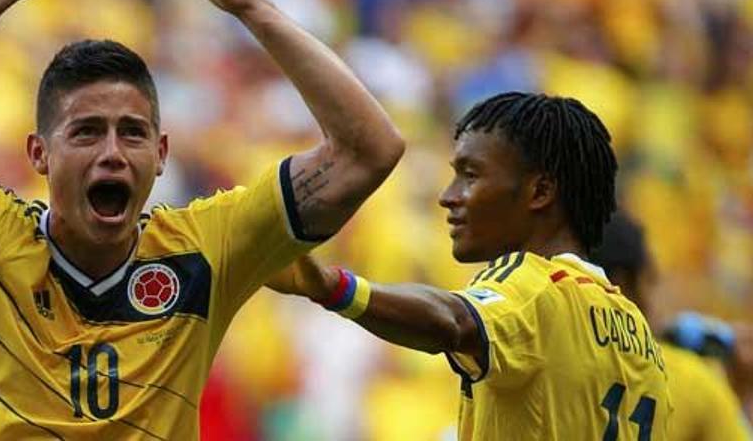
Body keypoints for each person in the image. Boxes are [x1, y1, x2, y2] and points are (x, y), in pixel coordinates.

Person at [0, 0, 404, 439]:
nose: (112, 152)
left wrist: (249, 5)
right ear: (38, 154)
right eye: (85, 132)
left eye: (132, 132)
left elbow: (370, 150)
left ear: (161, 153)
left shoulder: (207, 248)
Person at [271, 92, 671, 439]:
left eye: (470, 175)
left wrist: (333, 288)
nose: (448, 197)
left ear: (540, 191)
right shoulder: (640, 336)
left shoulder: (532, 284)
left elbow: (455, 322)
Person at [590, 212, 753, 441]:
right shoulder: (690, 380)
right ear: (622, 284)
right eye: (650, 280)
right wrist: (740, 391)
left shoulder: (546, 360)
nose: (655, 301)